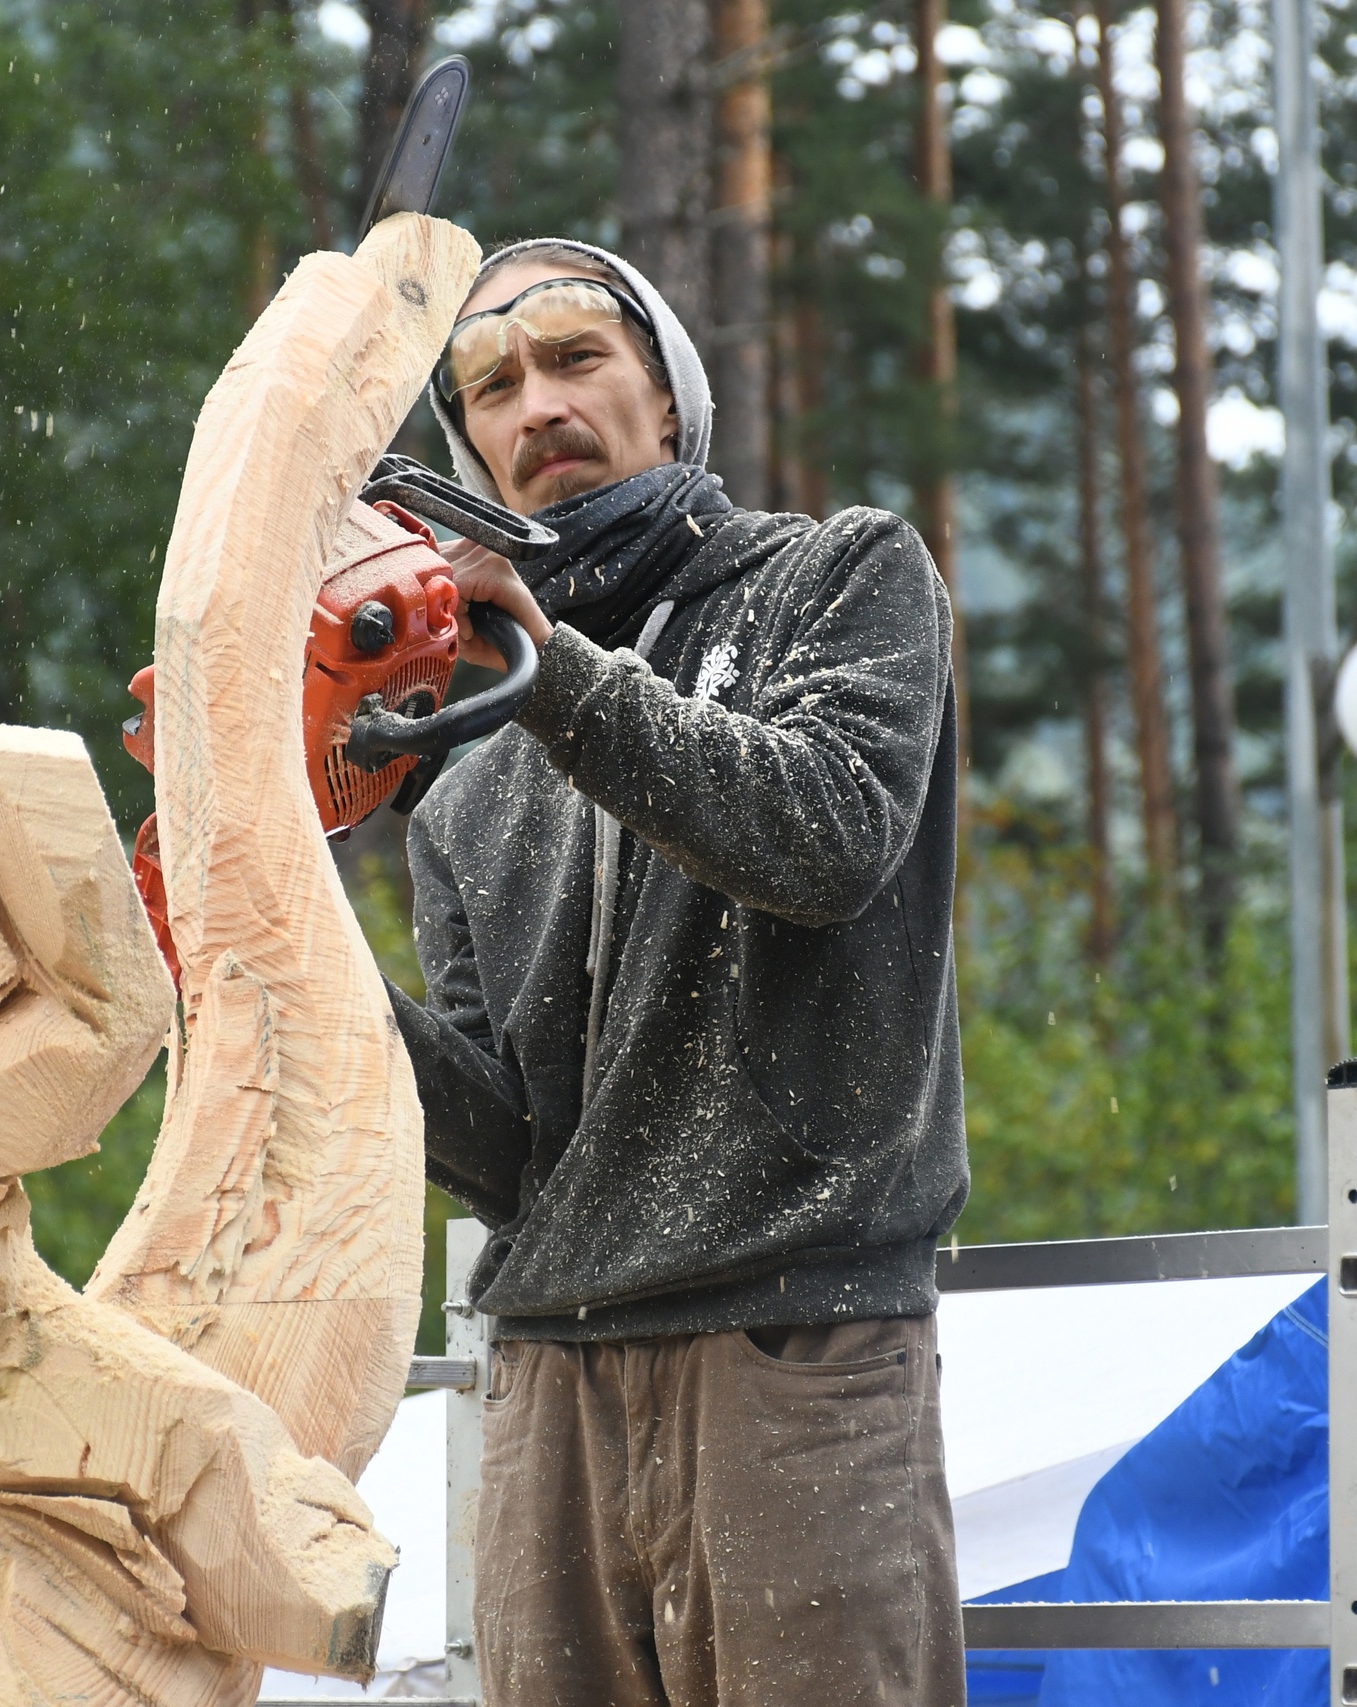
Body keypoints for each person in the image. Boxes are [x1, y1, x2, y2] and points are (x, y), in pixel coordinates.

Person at [384, 237, 969, 1707]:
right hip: (549, 1389)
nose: (538, 408)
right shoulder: (463, 782)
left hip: (796, 1350)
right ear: (473, 454)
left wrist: (555, 678)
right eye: (493, 390)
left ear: (670, 399)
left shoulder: (837, 578)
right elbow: (511, 1146)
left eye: (579, 360)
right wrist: (281, 961)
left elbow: (827, 835)